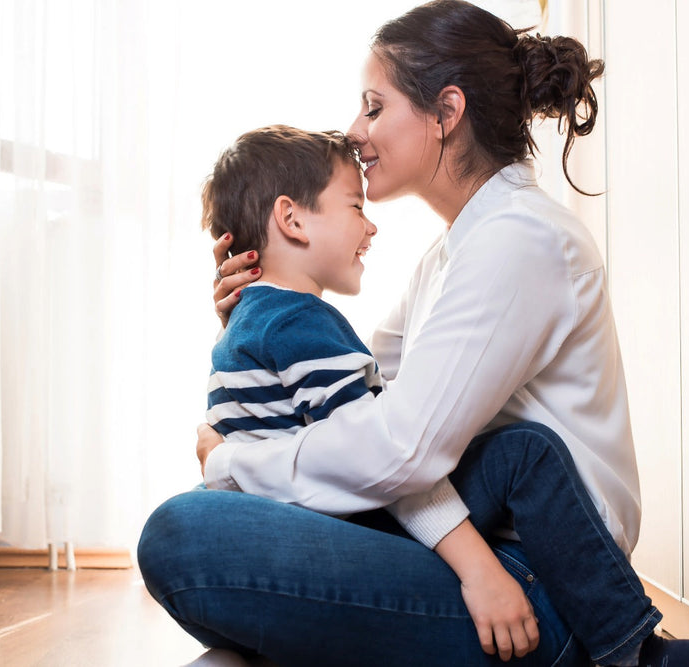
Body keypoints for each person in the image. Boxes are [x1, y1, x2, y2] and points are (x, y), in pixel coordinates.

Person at [139, 2, 689, 665]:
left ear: (445, 113)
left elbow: (393, 444)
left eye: (374, 107)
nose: (355, 129)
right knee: (216, 542)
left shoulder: (518, 240)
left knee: (182, 532)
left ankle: (630, 653)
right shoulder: (453, 254)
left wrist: (232, 460)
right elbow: (355, 396)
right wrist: (258, 315)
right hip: (476, 548)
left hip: (538, 583)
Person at [200, 124, 541, 660]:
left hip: (288, 534)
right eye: (355, 207)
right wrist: (482, 571)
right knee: (526, 452)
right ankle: (631, 642)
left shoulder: (244, 332)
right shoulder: (300, 324)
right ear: (291, 219)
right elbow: (381, 457)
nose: (371, 225)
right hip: (340, 533)